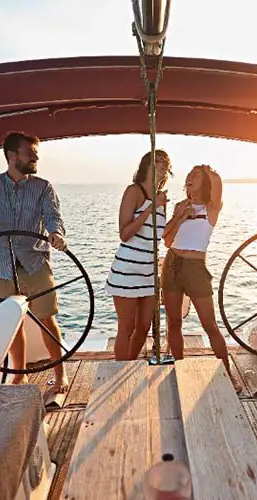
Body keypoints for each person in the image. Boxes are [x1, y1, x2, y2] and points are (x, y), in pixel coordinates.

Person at [0, 131, 69, 390]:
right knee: (11, 322)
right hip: (0, 265)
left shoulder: (43, 187)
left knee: (46, 319)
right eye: (30, 153)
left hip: (34, 262)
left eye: (35, 154)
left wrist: (56, 234)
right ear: (11, 156)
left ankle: (60, 373)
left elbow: (53, 217)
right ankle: (19, 373)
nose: (35, 157)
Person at [162, 165, 242, 392]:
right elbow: (167, 240)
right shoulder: (180, 206)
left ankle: (228, 374)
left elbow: (218, 184)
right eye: (188, 175)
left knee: (210, 325)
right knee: (174, 322)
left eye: (195, 176)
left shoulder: (211, 208)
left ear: (205, 182)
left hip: (196, 268)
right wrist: (179, 217)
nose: (189, 178)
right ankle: (178, 369)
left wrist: (207, 170)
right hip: (172, 264)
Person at [105, 150, 171, 360]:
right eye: (158, 162)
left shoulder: (161, 199)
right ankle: (119, 369)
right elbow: (125, 234)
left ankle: (130, 364)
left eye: (166, 163)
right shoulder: (134, 191)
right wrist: (151, 208)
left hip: (149, 271)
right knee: (126, 327)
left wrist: (178, 216)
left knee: (143, 328)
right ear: (146, 166)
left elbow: (161, 236)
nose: (162, 166)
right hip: (127, 270)